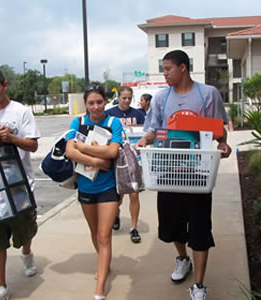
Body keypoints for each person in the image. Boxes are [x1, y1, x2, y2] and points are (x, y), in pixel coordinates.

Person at [136, 50, 232, 300]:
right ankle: (182, 258)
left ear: (183, 68)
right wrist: (144, 141)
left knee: (200, 229)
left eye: (168, 68)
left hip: (199, 172)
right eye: (163, 69)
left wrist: (223, 145)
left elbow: (219, 131)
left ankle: (198, 285)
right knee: (172, 227)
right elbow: (152, 130)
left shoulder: (207, 94)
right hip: (168, 171)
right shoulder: (159, 98)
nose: (164, 73)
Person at [0, 68, 40, 300]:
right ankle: (0, 285)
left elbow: (33, 146)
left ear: (5, 86)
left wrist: (11, 138)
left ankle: (26, 251)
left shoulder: (21, 112)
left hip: (20, 187)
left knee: (25, 231)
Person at [65, 84, 122, 300]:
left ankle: (99, 289)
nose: (96, 107)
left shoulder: (113, 122)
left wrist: (82, 147)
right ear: (85, 104)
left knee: (103, 235)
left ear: (105, 102)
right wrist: (98, 161)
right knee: (94, 232)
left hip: (108, 187)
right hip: (86, 187)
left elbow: (113, 150)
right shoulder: (78, 122)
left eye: (99, 102)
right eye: (91, 103)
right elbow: (70, 151)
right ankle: (104, 263)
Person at [106, 86, 145, 243]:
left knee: (134, 192)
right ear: (118, 97)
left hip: (134, 158)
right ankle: (116, 214)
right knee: (118, 193)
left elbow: (145, 133)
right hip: (117, 158)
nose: (127, 101)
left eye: (129, 98)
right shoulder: (110, 114)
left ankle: (133, 228)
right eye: (124, 98)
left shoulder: (138, 114)